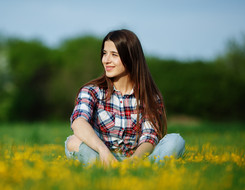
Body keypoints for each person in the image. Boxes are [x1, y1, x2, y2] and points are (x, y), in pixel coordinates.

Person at [65, 29, 185, 166]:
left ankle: (136, 170)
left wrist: (133, 162)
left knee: (175, 141)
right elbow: (78, 122)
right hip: (100, 155)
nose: (106, 60)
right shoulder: (92, 91)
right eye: (104, 53)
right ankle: (108, 168)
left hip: (136, 158)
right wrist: (103, 151)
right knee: (73, 141)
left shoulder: (149, 97)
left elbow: (149, 137)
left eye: (114, 54)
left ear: (130, 57)